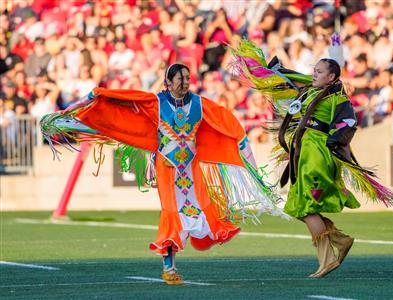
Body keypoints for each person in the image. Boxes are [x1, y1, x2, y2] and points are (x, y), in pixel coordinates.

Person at [40, 63, 284, 285]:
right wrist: (88, 100)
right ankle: (169, 266)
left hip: (191, 168)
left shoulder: (199, 104)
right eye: (179, 79)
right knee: (171, 213)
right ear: (168, 82)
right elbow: (124, 100)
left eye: (187, 78)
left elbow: (224, 119)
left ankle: (191, 242)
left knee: (201, 208)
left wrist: (241, 144)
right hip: (167, 168)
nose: (185, 82)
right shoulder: (156, 102)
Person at [231, 36, 393, 278]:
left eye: (319, 71)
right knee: (296, 206)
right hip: (304, 152)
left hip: (317, 154)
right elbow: (290, 77)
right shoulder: (311, 91)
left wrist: (331, 144)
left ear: (331, 77)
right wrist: (265, 69)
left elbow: (348, 123)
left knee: (305, 205)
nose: (314, 74)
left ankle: (328, 257)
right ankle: (339, 240)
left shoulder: (337, 99)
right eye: (314, 70)